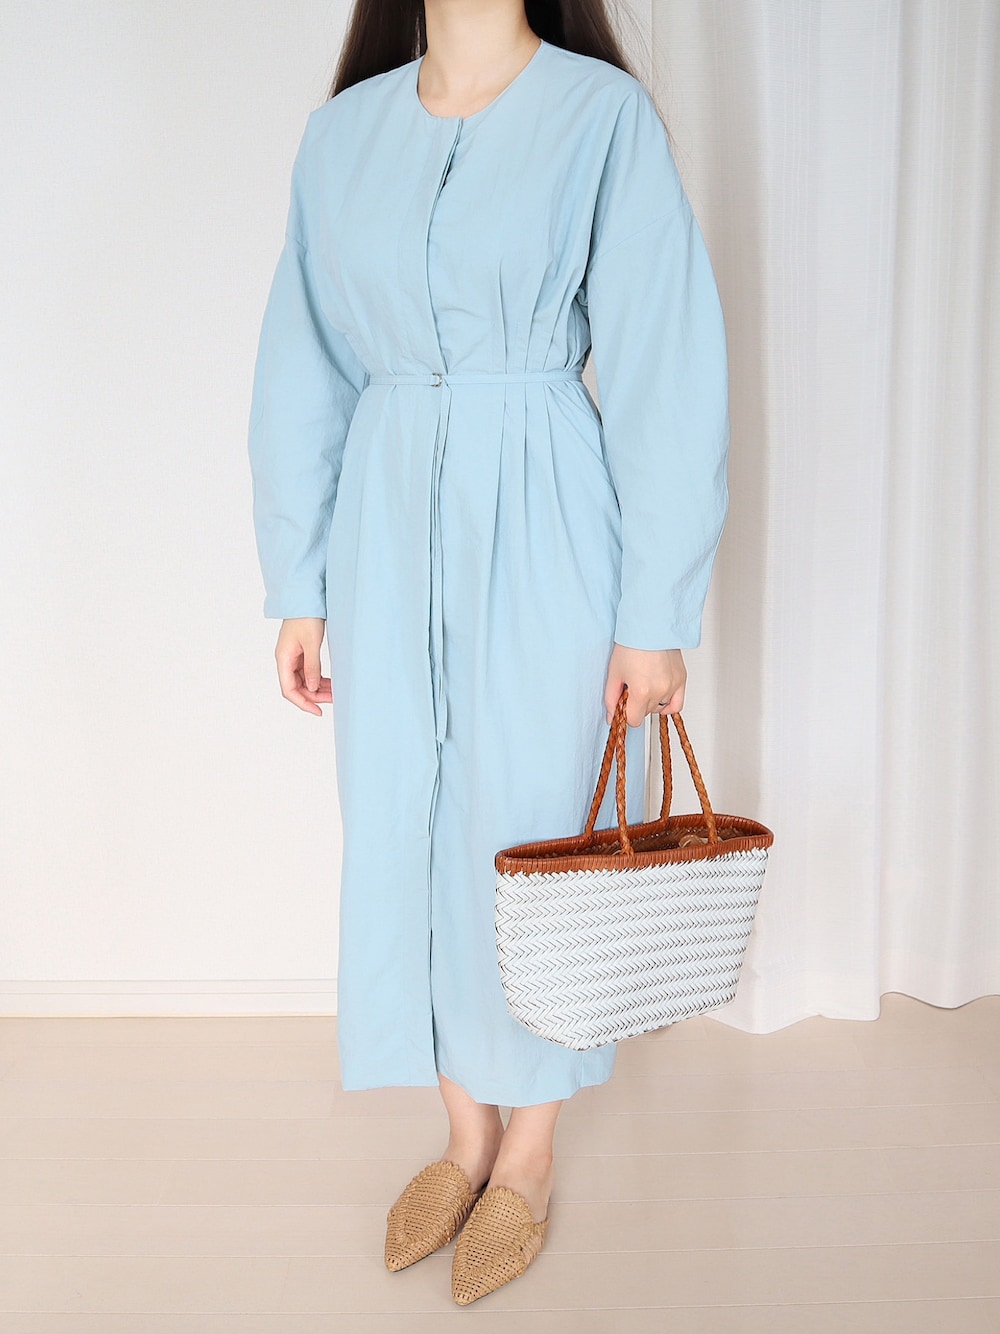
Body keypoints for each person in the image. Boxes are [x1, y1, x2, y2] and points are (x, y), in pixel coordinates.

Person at [247, 0, 730, 1306]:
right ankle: (463, 1129)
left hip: (550, 512)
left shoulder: (600, 118)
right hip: (386, 520)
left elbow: (666, 361)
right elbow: (302, 364)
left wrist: (655, 610)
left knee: (527, 818)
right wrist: (299, 581)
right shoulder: (341, 137)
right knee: (405, 813)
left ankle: (530, 1146)